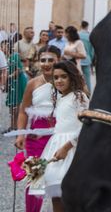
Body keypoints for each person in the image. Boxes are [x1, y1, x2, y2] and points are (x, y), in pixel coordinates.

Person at [30, 60, 88, 212]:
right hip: (56, 146)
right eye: (56, 78)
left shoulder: (79, 96)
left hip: (72, 148)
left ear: (72, 78)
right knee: (55, 192)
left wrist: (67, 147)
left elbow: (85, 126)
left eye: (64, 77)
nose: (59, 80)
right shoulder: (61, 98)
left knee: (70, 193)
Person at [14, 45, 60, 212]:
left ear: (59, 61)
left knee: (59, 179)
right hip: (36, 137)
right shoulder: (33, 84)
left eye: (51, 60)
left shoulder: (67, 82)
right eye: (43, 60)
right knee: (35, 179)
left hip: (60, 136)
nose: (46, 64)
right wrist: (20, 134)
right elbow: (23, 110)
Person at [5, 39, 28, 130]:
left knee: (16, 104)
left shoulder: (15, 56)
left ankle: (16, 126)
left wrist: (8, 77)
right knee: (12, 105)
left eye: (4, 46)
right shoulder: (7, 57)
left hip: (18, 82)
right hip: (12, 83)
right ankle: (12, 126)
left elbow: (19, 70)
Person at [77, 21, 94, 92]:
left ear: (81, 26)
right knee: (87, 80)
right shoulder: (89, 36)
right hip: (87, 59)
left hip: (77, 59)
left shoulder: (77, 35)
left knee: (77, 78)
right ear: (87, 26)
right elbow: (92, 50)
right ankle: (88, 95)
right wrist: (91, 60)